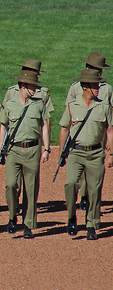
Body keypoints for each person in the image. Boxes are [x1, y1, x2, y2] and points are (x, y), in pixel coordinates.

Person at [59, 69, 113, 240]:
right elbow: (64, 128)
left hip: (96, 153)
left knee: (95, 190)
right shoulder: (72, 105)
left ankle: (91, 224)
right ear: (85, 87)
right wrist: (62, 152)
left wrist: (112, 153)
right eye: (95, 85)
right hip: (76, 152)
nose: (98, 88)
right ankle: (71, 216)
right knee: (71, 184)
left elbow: (110, 130)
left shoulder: (104, 106)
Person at [0, 70, 50, 239]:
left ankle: (28, 224)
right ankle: (12, 216)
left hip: (33, 150)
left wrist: (47, 148)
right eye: (32, 86)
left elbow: (44, 126)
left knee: (31, 188)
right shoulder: (9, 103)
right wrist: (2, 149)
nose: (35, 89)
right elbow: (3, 127)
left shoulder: (39, 104)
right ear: (22, 86)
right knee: (11, 185)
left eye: (36, 85)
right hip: (14, 150)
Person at [65, 52, 112, 211]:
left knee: (93, 171)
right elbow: (69, 112)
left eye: (100, 70)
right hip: (79, 134)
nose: (99, 73)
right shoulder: (75, 87)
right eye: (96, 69)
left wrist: (107, 140)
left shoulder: (107, 89)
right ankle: (83, 195)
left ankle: (86, 196)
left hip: (98, 132)